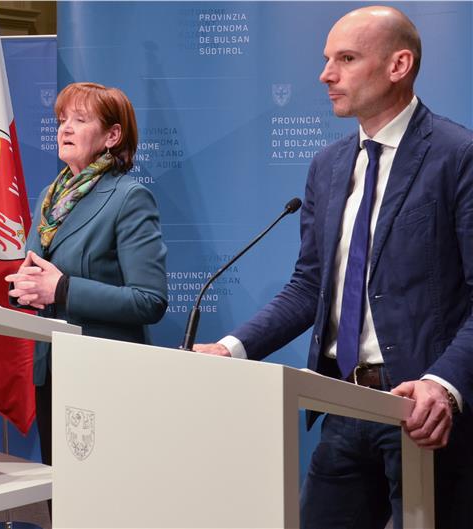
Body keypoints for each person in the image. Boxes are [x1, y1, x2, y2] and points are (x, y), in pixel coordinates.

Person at [195, 6, 472, 528]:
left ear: (398, 65)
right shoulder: (328, 165)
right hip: (342, 403)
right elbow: (310, 287)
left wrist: (443, 384)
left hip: (422, 414)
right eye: (327, 59)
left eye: (345, 59)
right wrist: (231, 349)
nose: (326, 75)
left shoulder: (458, 156)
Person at [5, 81, 168, 479]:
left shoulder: (129, 197)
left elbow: (149, 300)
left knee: (104, 494)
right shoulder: (51, 196)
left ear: (112, 136)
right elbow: (36, 271)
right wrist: (23, 290)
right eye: (62, 119)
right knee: (58, 493)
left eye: (80, 120)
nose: (65, 128)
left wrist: (62, 289)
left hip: (105, 372)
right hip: (50, 368)